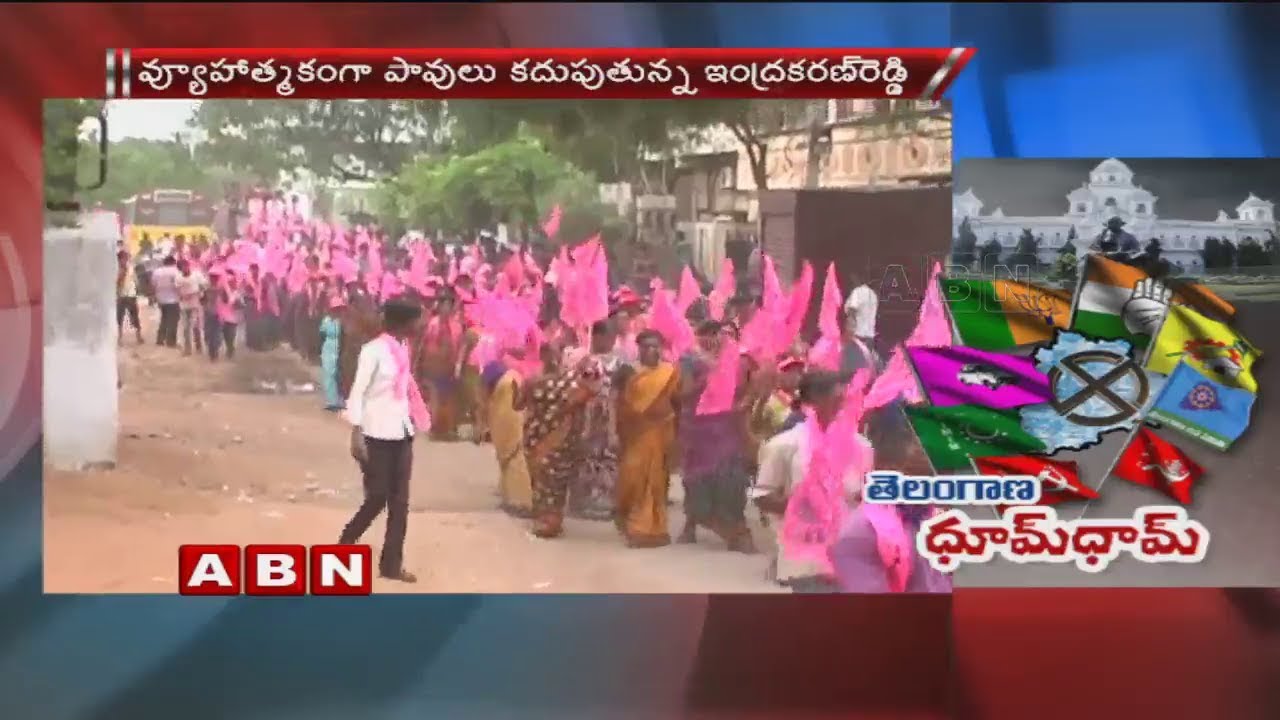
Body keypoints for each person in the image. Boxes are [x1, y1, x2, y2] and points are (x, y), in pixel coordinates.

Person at [754, 370, 869, 593]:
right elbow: (762, 497)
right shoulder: (784, 445)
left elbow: (866, 494)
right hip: (806, 560)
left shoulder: (861, 446)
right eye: (837, 400)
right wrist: (803, 508)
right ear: (814, 401)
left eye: (846, 400)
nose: (844, 406)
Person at [339, 297, 428, 584]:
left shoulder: (403, 348)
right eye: (417, 320)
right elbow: (359, 391)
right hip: (375, 433)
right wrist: (356, 431)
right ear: (404, 322)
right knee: (377, 496)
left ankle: (391, 565)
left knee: (400, 503)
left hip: (401, 431)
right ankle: (347, 540)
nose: (420, 325)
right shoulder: (373, 351)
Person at [677, 321, 756, 553]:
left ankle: (736, 530)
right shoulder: (691, 361)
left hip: (727, 428)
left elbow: (746, 391)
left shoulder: (739, 361)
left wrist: (746, 402)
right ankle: (693, 525)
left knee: (731, 478)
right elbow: (683, 394)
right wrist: (708, 379)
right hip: (698, 429)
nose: (716, 339)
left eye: (722, 335)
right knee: (695, 479)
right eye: (710, 334)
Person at [522, 342, 600, 539]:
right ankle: (552, 521)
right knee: (557, 482)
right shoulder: (578, 386)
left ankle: (543, 519)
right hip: (563, 440)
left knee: (542, 480)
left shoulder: (533, 381)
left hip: (537, 438)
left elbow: (518, 404)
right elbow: (588, 406)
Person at [615, 329, 681, 548]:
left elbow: (677, 402)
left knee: (656, 481)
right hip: (634, 432)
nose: (652, 351)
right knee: (632, 478)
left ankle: (650, 529)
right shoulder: (629, 371)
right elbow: (619, 403)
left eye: (656, 346)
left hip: (662, 431)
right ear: (639, 348)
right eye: (647, 346)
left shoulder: (670, 372)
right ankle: (627, 518)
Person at [568, 319, 624, 521]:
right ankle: (584, 500)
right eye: (609, 337)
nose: (612, 341)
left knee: (607, 457)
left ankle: (603, 500)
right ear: (598, 337)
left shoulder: (617, 362)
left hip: (609, 414)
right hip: (590, 415)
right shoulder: (588, 362)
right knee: (588, 456)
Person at [484, 353, 534, 518]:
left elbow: (503, 415)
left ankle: (521, 503)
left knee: (514, 459)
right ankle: (513, 499)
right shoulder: (511, 378)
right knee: (511, 459)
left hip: (511, 421)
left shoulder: (505, 384)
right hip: (515, 418)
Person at [843, 271, 879, 362]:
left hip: (858, 335)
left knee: (855, 366)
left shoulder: (857, 292)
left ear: (856, 279)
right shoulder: (873, 294)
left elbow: (852, 311)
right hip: (870, 335)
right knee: (867, 365)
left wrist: (848, 331)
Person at [175, 260, 207, 356]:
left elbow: (204, 285)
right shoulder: (178, 278)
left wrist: (198, 293)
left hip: (195, 304)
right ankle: (187, 348)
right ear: (180, 269)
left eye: (185, 266)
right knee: (186, 328)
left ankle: (198, 346)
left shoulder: (197, 275)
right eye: (182, 268)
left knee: (196, 326)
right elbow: (178, 290)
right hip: (184, 305)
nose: (184, 269)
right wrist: (182, 296)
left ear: (188, 266)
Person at [320, 296, 346, 411]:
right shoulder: (326, 320)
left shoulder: (344, 321)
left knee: (339, 374)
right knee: (329, 373)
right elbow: (321, 333)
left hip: (341, 347)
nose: (337, 311)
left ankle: (341, 400)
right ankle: (331, 401)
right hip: (328, 347)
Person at [151, 255, 182, 348]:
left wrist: (154, 296)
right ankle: (171, 341)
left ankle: (160, 339)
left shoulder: (157, 272)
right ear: (173, 262)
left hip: (161, 298)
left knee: (164, 319)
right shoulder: (176, 271)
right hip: (173, 299)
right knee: (173, 321)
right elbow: (178, 285)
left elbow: (153, 285)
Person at [116, 250, 143, 345]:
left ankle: (139, 336)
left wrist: (137, 289)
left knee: (135, 317)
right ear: (119, 259)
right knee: (119, 318)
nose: (125, 260)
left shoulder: (131, 268)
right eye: (123, 258)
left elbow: (135, 280)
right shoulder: (116, 269)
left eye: (126, 258)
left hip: (131, 295)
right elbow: (116, 283)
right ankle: (119, 338)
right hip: (121, 296)